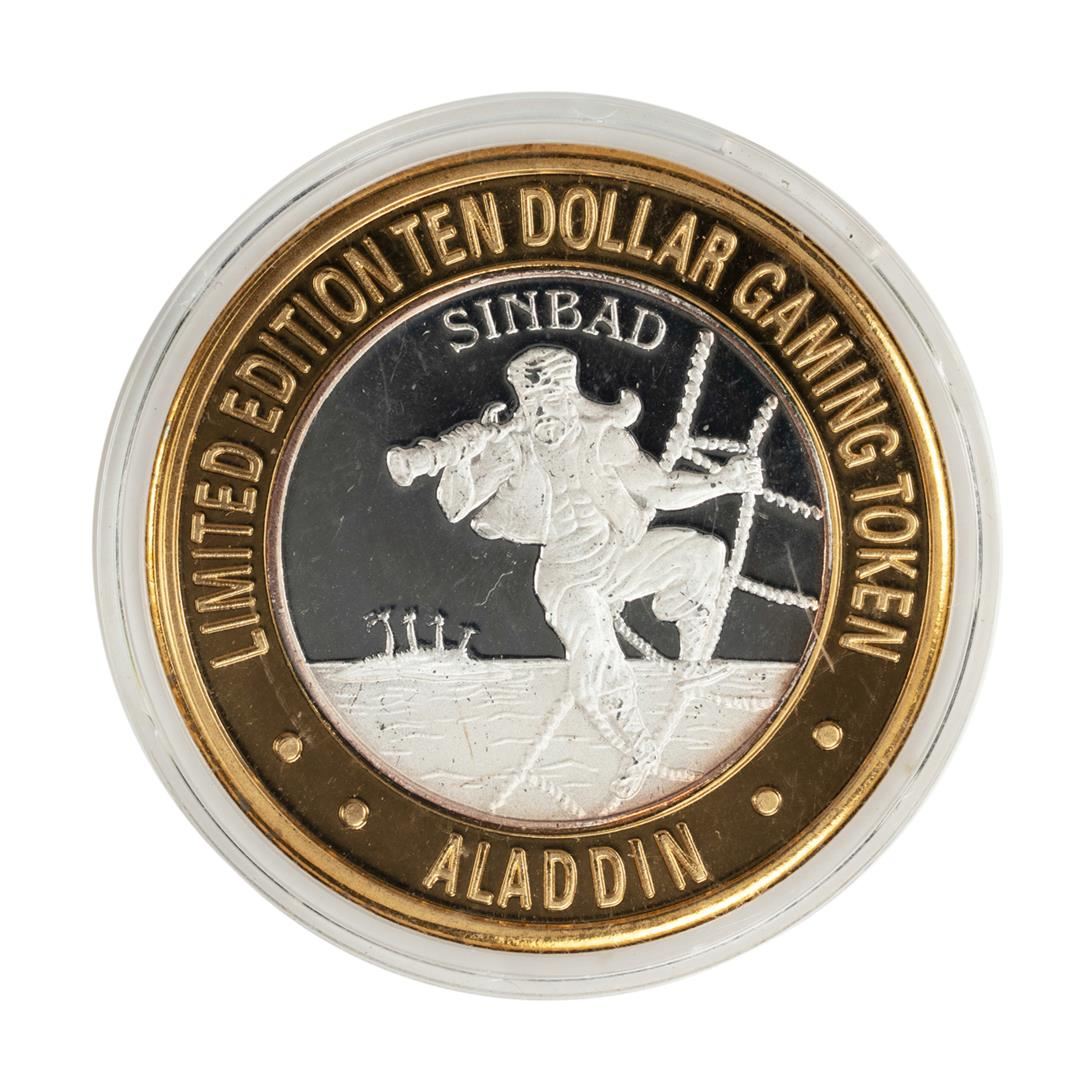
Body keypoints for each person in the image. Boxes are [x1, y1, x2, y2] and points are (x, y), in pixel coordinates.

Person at [386, 345, 763, 799]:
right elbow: (455, 506)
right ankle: (638, 747)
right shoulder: (512, 449)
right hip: (567, 576)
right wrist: (461, 458)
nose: (545, 416)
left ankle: (691, 662)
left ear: (572, 402)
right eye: (535, 408)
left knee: (703, 552)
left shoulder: (604, 440)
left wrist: (723, 481)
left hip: (618, 556)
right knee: (598, 652)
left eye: (554, 404)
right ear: (525, 410)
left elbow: (661, 488)